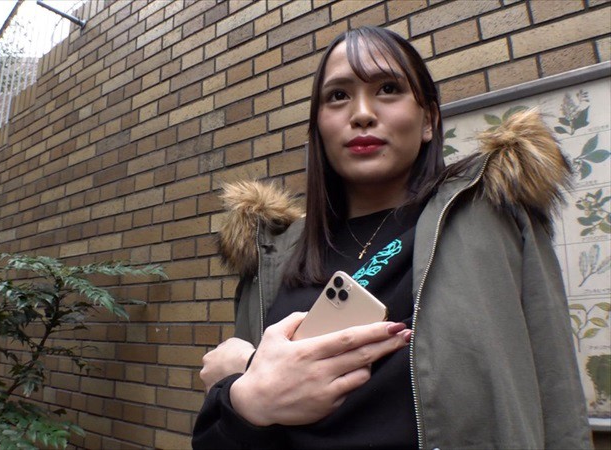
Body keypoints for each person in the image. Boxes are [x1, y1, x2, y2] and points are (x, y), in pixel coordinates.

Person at [192, 26, 592, 449]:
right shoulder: (271, 251)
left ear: (428, 120)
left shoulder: (494, 217)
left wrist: (247, 369)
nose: (362, 113)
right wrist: (243, 397)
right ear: (319, 128)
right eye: (338, 96)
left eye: (388, 89)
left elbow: (557, 392)